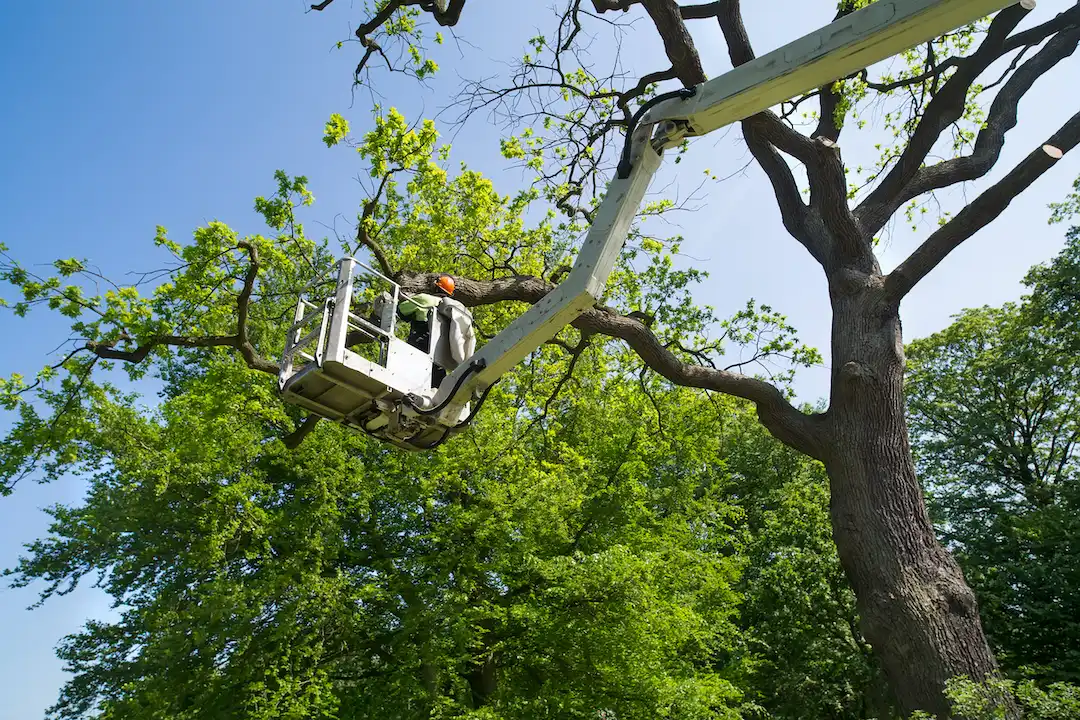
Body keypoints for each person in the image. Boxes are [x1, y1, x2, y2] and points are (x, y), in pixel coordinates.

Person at [397, 275, 455, 353]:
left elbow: (400, 310)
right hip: (438, 354)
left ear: (436, 288)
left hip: (417, 346)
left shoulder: (424, 298)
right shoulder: (450, 311)